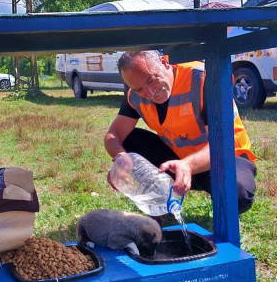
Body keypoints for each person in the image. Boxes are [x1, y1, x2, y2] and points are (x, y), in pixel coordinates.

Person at [104, 50, 257, 214]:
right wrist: (121, 160)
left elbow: (223, 143)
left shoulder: (204, 79)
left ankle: (225, 214)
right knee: (128, 142)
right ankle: (159, 206)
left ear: (164, 62)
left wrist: (188, 165)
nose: (149, 92)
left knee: (237, 193)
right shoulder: (134, 96)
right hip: (179, 162)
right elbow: (114, 135)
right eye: (139, 89)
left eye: (151, 80)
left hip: (225, 158)